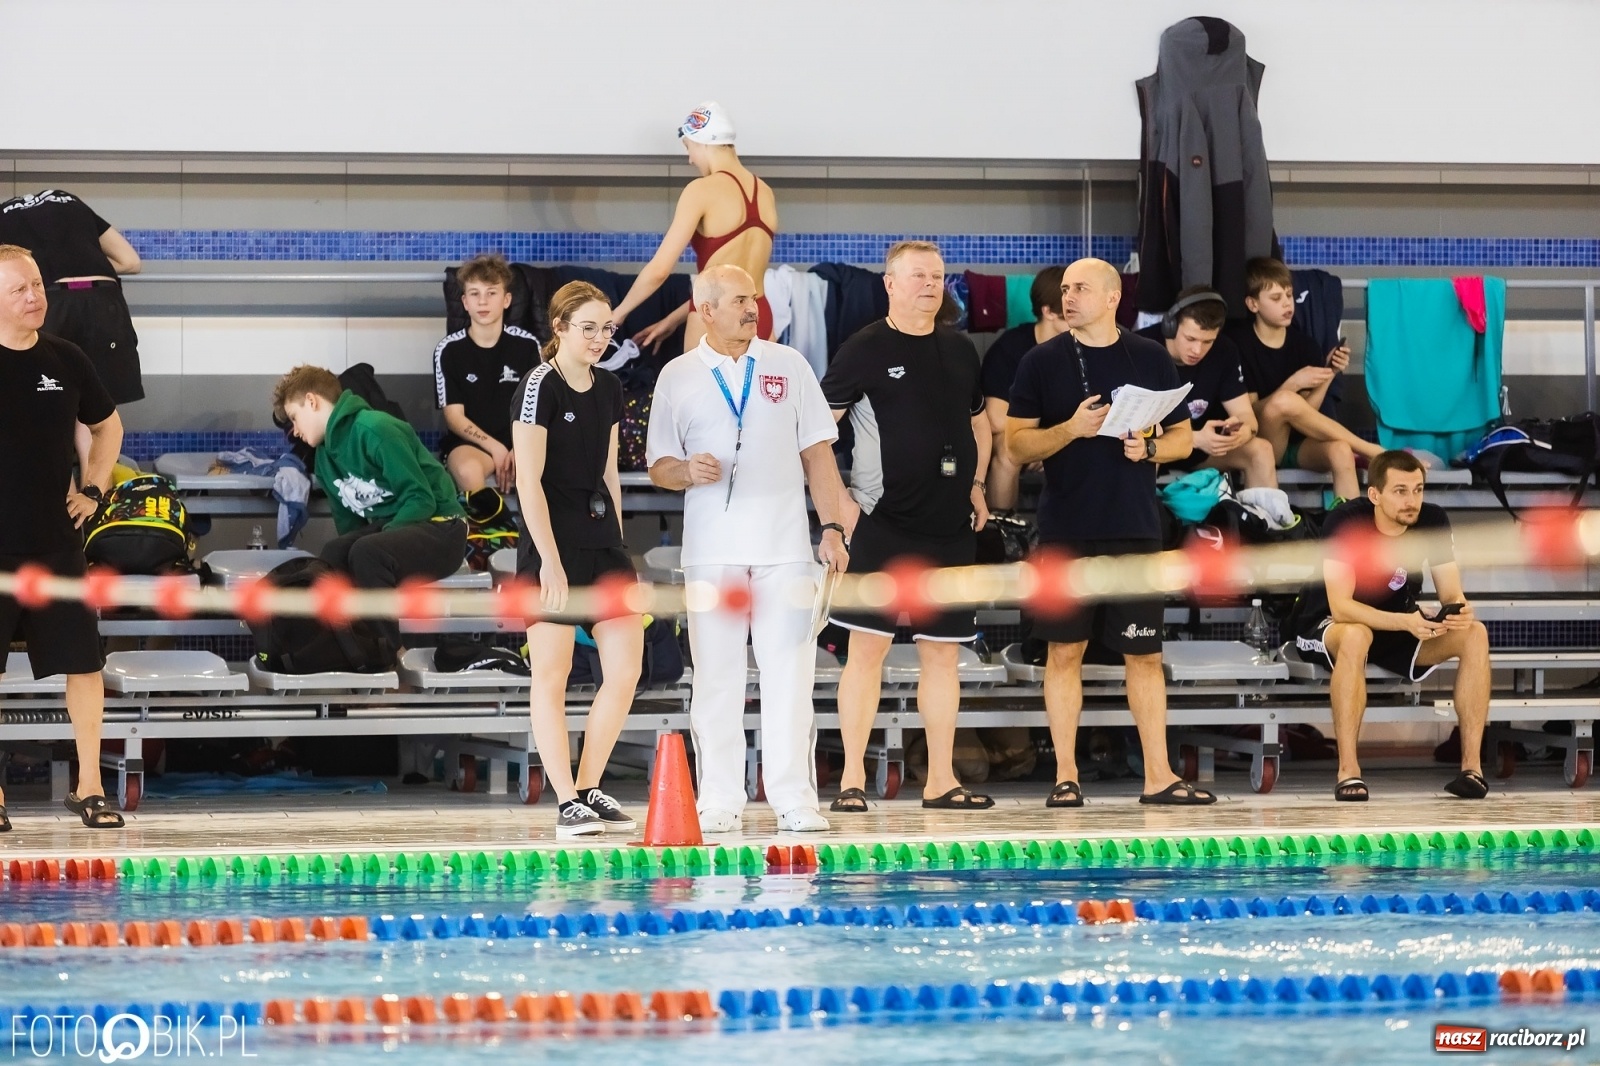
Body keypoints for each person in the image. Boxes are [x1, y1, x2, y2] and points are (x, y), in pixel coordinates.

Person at [646, 264, 849, 833]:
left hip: (785, 547)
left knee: (791, 674)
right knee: (716, 676)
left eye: (753, 299)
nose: (751, 307)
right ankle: (719, 797)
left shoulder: (789, 364)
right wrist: (685, 469)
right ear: (705, 309)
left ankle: (794, 797)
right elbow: (658, 466)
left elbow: (818, 455)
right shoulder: (678, 376)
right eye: (739, 299)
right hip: (712, 552)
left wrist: (832, 528)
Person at [1005, 258, 1215, 807]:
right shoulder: (1040, 361)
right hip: (1065, 529)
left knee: (1144, 656)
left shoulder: (1149, 357)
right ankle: (1066, 777)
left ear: (1111, 297)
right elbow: (1015, 446)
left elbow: (1182, 440)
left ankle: (1158, 776)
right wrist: (1070, 429)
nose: (1068, 297)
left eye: (1080, 289)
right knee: (1064, 653)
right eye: (1066, 289)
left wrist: (1148, 448)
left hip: (1134, 528)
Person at [822, 240, 994, 813]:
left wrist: (975, 485)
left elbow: (979, 423)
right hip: (882, 524)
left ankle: (940, 780)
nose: (930, 283)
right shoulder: (865, 348)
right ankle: (849, 779)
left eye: (938, 275)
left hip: (948, 528)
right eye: (918, 275)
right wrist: (842, 505)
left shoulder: (960, 348)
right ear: (889, 283)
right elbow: (819, 433)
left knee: (942, 654)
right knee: (865, 651)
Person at [0, 245, 126, 830]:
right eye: (20, 289)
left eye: (38, 284)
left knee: (84, 663)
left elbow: (107, 425)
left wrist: (95, 488)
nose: (35, 296)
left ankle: (90, 786)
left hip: (54, 541)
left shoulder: (67, 358)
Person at [511, 281, 641, 839]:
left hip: (601, 542)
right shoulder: (540, 385)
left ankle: (589, 786)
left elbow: (608, 471)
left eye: (606, 328)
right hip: (552, 545)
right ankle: (565, 798)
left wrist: (619, 540)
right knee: (553, 674)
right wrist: (550, 561)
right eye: (587, 327)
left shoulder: (610, 386)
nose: (599, 338)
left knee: (627, 669)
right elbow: (527, 480)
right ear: (559, 328)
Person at [1291, 450, 1489, 802]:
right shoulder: (1346, 521)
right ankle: (1348, 770)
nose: (1411, 501)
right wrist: (1406, 622)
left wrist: (1457, 611)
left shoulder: (1432, 520)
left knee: (1474, 634)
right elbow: (1341, 607)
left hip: (1398, 624)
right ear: (1375, 495)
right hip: (1328, 623)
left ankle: (1471, 769)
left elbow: (1451, 592)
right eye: (1400, 491)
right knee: (1356, 634)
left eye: (1418, 490)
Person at [273, 364, 467, 660]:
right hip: (394, 529)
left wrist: (381, 540)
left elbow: (420, 499)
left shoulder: (375, 429)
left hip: (442, 526)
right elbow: (350, 526)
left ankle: (391, 655)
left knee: (367, 553)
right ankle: (350, 649)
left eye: (295, 418)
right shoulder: (324, 459)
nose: (294, 431)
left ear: (312, 402)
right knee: (334, 553)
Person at [612, 102, 778, 352]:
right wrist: (672, 320)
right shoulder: (765, 192)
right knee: (752, 392)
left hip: (715, 318)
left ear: (701, 141)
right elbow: (735, 282)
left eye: (688, 148)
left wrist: (617, 315)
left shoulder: (700, 190)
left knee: (698, 392)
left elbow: (659, 270)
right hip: (759, 316)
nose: (690, 159)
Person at [0, 189, 144, 475]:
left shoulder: (3, 214)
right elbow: (131, 261)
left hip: (53, 297)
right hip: (104, 297)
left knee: (49, 397)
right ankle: (94, 498)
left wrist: (44, 279)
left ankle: (65, 492)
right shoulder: (71, 201)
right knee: (95, 403)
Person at [1227, 257, 1380, 503]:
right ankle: (1370, 450)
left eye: (1289, 296)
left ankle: (1346, 529)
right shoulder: (1238, 344)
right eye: (1276, 299)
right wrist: (1293, 384)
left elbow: (1307, 414)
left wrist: (1328, 374)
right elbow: (1250, 414)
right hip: (1263, 443)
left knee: (1341, 452)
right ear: (1252, 304)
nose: (1287, 304)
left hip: (1298, 445)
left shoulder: (1305, 344)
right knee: (1284, 400)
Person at [1134, 285, 1276, 488]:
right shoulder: (1142, 348)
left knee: (1261, 451)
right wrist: (1193, 438)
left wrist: (1241, 433)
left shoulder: (1224, 351)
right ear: (1171, 326)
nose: (1197, 350)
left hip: (1202, 448)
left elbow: (1247, 417)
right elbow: (1135, 429)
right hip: (1153, 447)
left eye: (1208, 341)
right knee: (1147, 450)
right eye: (1190, 339)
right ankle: (1145, 519)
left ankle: (1262, 519)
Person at [434, 253, 542, 493]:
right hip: (471, 444)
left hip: (521, 442)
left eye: (491, 293)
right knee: (468, 471)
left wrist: (520, 449)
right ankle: (488, 529)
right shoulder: (449, 350)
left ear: (506, 300)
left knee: (548, 468)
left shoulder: (528, 346)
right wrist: (495, 447)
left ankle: (538, 531)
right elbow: (454, 418)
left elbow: (539, 408)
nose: (482, 302)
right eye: (475, 294)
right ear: (465, 302)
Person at [981, 266, 1067, 512]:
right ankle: (1003, 532)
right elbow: (996, 419)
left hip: (1069, 437)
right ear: (1048, 312)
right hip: (1028, 437)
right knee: (1008, 451)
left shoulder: (1085, 348)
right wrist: (1040, 441)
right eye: (1070, 312)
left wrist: (1051, 442)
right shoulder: (1010, 349)